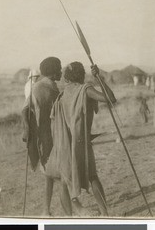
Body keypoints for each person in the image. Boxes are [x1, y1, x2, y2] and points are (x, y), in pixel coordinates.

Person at [46, 62, 116, 216]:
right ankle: (105, 214)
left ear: (67, 77)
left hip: (64, 144)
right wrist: (99, 79)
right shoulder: (85, 90)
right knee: (92, 177)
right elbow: (110, 99)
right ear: (81, 75)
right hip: (80, 144)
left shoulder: (62, 95)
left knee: (64, 181)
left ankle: (70, 218)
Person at [22, 57, 62, 216]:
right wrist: (26, 129)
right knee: (55, 174)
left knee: (50, 175)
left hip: (54, 135)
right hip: (45, 137)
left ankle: (46, 210)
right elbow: (25, 109)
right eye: (59, 69)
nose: (61, 71)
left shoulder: (52, 87)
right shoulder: (39, 88)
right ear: (53, 72)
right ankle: (71, 208)